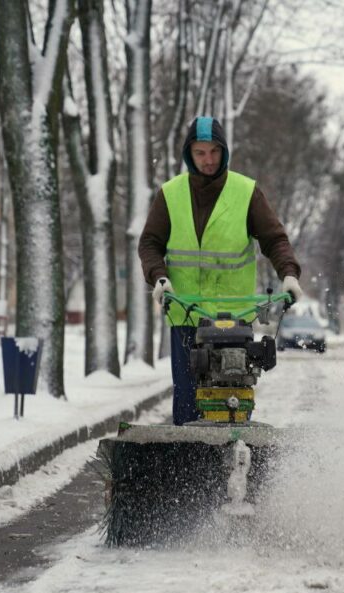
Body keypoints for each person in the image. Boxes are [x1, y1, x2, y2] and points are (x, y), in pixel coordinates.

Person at [138, 115, 303, 426]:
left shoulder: (246, 192)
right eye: (200, 153)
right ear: (189, 154)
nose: (208, 160)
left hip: (235, 316)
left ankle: (237, 455)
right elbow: (149, 243)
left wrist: (289, 274)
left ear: (224, 151)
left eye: (214, 152)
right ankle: (186, 467)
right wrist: (159, 277)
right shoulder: (170, 195)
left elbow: (274, 239)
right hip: (187, 313)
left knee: (234, 395)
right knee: (188, 400)